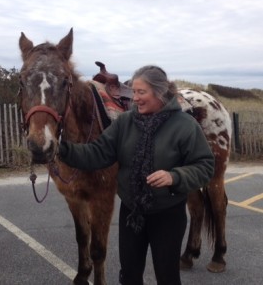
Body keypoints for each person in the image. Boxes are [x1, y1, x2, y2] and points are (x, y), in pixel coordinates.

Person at [58, 65, 215, 285]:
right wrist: (60, 150)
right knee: (129, 276)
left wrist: (175, 177)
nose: (136, 98)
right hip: (132, 213)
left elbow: (205, 166)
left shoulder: (185, 126)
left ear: (160, 92)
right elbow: (98, 152)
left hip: (167, 215)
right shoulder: (125, 122)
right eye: (134, 92)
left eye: (142, 93)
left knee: (167, 277)